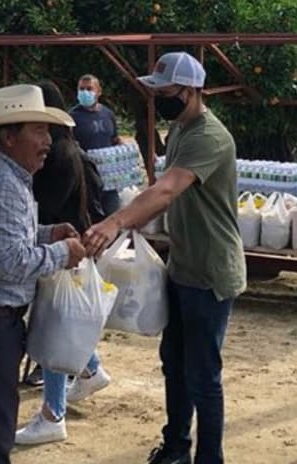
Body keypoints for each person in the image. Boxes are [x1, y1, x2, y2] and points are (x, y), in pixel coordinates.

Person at [84, 52, 245, 464]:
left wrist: (117, 221)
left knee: (203, 375)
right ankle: (176, 448)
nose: (159, 99)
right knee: (174, 364)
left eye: (166, 92)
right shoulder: (179, 130)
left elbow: (167, 190)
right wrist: (138, 220)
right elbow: (163, 196)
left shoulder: (209, 137)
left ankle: (209, 458)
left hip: (210, 271)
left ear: (190, 92)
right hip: (182, 266)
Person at [0, 84, 86, 464]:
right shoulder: (4, 184)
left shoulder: (4, 177)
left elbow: (2, 238)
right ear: (9, 137)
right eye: (38, 131)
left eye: (48, 131)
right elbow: (8, 263)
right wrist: (62, 252)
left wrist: (47, 234)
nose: (48, 141)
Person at [16, 81, 110, 447]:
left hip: (62, 250)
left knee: (55, 330)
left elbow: (47, 206)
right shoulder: (67, 149)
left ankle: (53, 413)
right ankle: (91, 368)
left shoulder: (58, 156)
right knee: (61, 322)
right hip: (68, 245)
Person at [70, 73, 125, 217]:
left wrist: (123, 150)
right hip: (86, 181)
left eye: (89, 89)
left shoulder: (108, 114)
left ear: (99, 91)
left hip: (109, 180)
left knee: (113, 217)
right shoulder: (72, 117)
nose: (85, 92)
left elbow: (115, 139)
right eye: (81, 89)